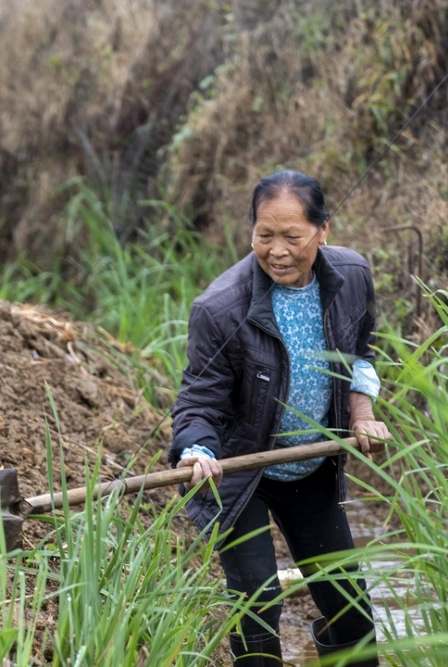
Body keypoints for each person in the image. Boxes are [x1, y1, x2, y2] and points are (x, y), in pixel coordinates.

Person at [168, 170, 390, 666]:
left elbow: (362, 350)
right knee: (258, 608)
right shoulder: (219, 308)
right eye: (264, 235)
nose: (278, 250)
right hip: (240, 472)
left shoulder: (351, 276)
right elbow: (198, 400)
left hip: (309, 468)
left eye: (293, 236)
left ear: (323, 230)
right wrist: (198, 448)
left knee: (350, 609)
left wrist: (361, 410)